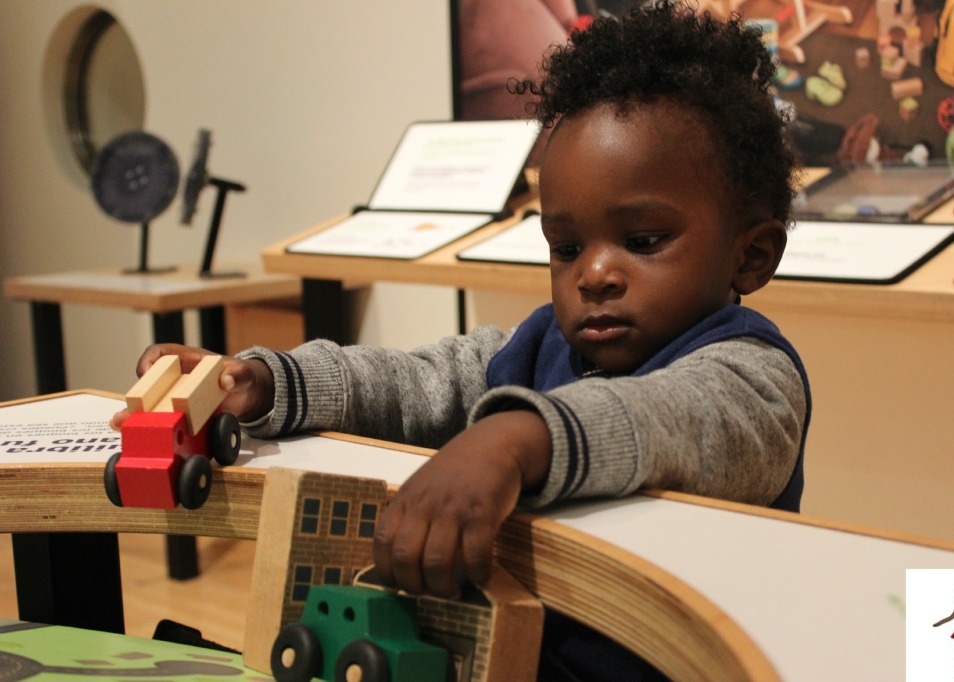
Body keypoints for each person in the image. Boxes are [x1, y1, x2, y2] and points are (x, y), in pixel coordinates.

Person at [113, 3, 810, 678]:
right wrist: (266, 381)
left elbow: (666, 421)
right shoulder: (539, 346)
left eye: (643, 241)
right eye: (566, 247)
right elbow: (412, 381)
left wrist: (511, 440)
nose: (594, 274)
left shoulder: (752, 378)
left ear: (751, 256)